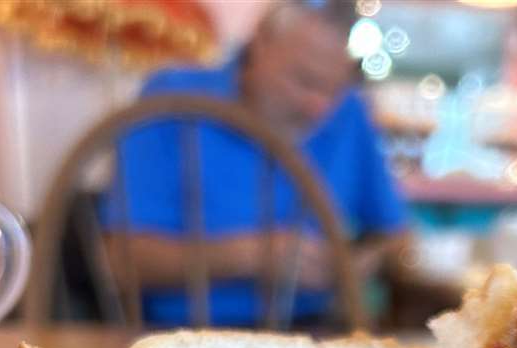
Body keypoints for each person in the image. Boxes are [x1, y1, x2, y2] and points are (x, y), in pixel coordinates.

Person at [103, 0, 409, 328]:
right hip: (180, 336)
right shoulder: (174, 98)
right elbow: (121, 262)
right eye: (304, 81)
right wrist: (255, 254)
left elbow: (396, 236)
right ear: (260, 42)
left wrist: (357, 265)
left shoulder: (349, 112)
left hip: (310, 335)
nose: (318, 107)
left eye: (333, 90)